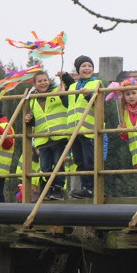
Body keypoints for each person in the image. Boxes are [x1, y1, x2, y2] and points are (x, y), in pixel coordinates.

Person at [58, 55, 103, 199]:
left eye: (90, 66)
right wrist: (62, 95)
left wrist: (88, 96)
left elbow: (100, 104)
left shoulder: (96, 83)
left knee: (90, 161)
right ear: (78, 69)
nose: (87, 68)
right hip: (74, 130)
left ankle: (94, 188)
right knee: (79, 161)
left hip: (88, 129)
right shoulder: (72, 86)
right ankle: (86, 188)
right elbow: (69, 104)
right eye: (84, 66)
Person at [24, 71, 68, 200]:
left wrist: (63, 93)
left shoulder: (57, 91)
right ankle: (49, 188)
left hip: (58, 135)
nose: (43, 83)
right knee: (45, 167)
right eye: (40, 81)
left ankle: (58, 189)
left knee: (58, 163)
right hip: (42, 139)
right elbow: (38, 119)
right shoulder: (32, 100)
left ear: (49, 81)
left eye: (45, 80)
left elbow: (67, 103)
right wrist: (30, 120)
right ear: (34, 84)